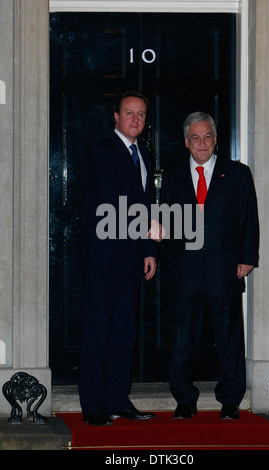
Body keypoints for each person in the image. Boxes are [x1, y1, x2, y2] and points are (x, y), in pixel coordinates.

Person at [161, 111, 259, 420]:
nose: (201, 143)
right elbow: (165, 220)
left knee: (228, 337)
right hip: (185, 270)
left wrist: (247, 257)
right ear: (186, 142)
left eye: (207, 137)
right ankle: (184, 399)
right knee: (183, 339)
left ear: (215, 140)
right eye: (195, 137)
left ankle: (230, 400)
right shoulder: (173, 174)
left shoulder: (238, 173)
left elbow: (249, 219)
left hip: (224, 268)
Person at [77, 90, 157, 426]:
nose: (135, 119)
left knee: (124, 332)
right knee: (98, 330)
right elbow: (116, 203)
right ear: (115, 116)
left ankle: (118, 399)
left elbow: (148, 205)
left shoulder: (145, 155)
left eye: (140, 114)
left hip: (131, 257)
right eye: (129, 113)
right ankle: (94, 406)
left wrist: (149, 251)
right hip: (102, 256)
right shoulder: (102, 152)